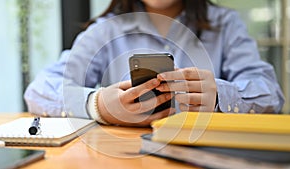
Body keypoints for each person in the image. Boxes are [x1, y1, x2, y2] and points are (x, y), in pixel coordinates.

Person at [24, 0, 284, 126]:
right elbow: (40, 90)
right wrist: (97, 104)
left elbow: (270, 92)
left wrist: (219, 95)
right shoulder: (106, 29)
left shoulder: (225, 24)